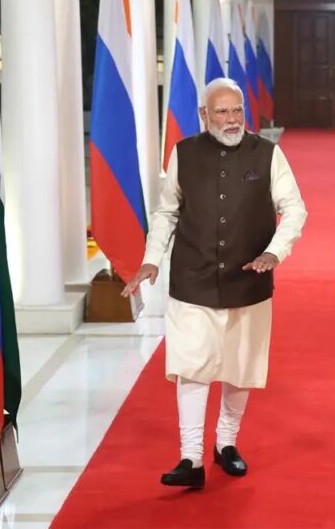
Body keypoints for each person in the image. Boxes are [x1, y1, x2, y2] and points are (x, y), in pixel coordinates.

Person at [123, 77, 307, 489]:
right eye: (221, 112)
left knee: (240, 367)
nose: (231, 119)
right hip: (193, 279)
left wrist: (275, 252)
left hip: (249, 281)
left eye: (236, 110)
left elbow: (295, 208)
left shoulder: (268, 153)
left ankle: (226, 444)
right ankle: (190, 457)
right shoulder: (184, 153)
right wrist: (151, 259)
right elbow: (167, 212)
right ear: (204, 115)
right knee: (192, 365)